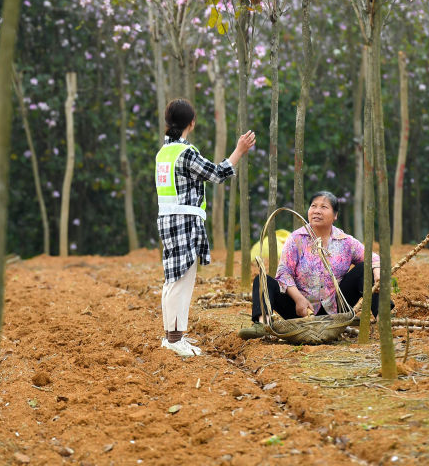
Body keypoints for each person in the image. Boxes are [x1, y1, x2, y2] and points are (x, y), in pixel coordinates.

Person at [157, 98, 256, 357]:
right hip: (185, 222)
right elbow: (216, 173)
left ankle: (172, 337)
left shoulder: (163, 152)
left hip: (167, 221)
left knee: (172, 279)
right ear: (192, 123)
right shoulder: (185, 152)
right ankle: (175, 339)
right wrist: (239, 151)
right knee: (181, 280)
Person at [240, 191, 387, 339]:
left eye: (324, 207)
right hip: (299, 311)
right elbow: (284, 273)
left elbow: (373, 258)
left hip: (336, 309)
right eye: (313, 206)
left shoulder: (346, 241)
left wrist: (377, 273)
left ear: (335, 215)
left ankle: (383, 318)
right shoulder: (296, 238)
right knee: (262, 280)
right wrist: (298, 299)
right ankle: (262, 325)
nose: (317, 211)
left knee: (366, 269)